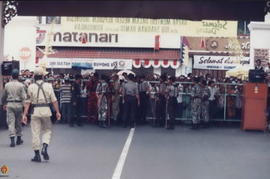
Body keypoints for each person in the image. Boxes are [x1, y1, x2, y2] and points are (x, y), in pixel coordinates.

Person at [22, 67, 61, 162]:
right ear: (43, 76)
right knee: (47, 130)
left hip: (35, 111)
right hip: (46, 111)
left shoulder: (31, 87)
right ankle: (44, 146)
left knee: (35, 133)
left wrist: (24, 115)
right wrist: (57, 112)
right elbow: (54, 100)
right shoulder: (48, 86)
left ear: (34, 76)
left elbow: (27, 102)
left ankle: (37, 155)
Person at [2, 69, 27, 147]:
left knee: (11, 122)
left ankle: (12, 139)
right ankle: (19, 139)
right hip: (19, 104)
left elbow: (4, 96)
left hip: (10, 104)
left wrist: (4, 103)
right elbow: (24, 97)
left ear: (12, 76)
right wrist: (24, 107)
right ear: (18, 76)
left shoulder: (7, 85)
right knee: (18, 122)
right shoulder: (21, 85)